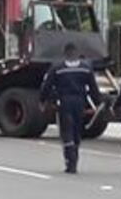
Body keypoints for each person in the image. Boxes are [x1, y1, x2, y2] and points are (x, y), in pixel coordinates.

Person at [40, 42, 102, 174]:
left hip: (64, 103)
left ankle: (70, 160)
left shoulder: (57, 68)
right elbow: (93, 88)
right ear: (76, 53)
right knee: (76, 130)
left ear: (65, 53)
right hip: (80, 103)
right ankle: (74, 157)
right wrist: (97, 103)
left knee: (66, 131)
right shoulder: (85, 68)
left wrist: (44, 101)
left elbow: (47, 86)